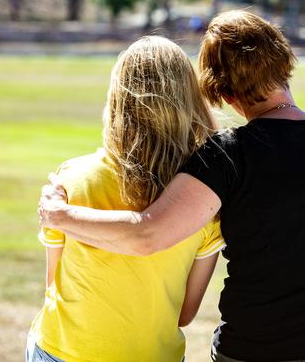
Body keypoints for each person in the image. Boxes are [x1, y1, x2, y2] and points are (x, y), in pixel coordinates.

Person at [39, 11, 305, 362]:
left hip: (257, 346)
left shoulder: (226, 155)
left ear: (223, 94)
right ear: (285, 64)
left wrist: (60, 214)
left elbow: (148, 235)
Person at [27, 36, 226, 362]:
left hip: (62, 352)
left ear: (118, 98)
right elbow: (184, 314)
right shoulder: (205, 198)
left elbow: (54, 286)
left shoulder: (71, 178)